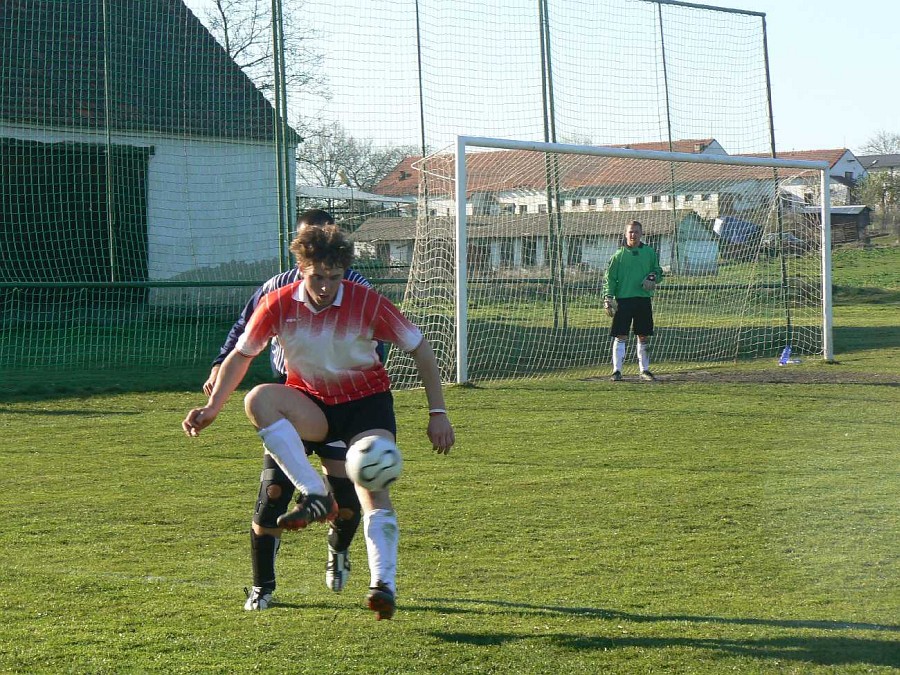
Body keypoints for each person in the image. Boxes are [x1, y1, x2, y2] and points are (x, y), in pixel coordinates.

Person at [183, 224, 455, 621]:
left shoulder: (367, 302)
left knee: (371, 488)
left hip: (365, 406)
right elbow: (241, 355)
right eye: (317, 277)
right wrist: (212, 408)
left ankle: (383, 585)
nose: (326, 286)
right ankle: (314, 495)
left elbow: (421, 349)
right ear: (301, 269)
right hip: (310, 403)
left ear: (344, 272)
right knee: (259, 401)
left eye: (335, 276)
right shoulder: (277, 303)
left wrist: (438, 413)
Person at [203, 209, 381, 606]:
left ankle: (338, 550)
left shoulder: (355, 287)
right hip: (292, 398)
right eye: (307, 242)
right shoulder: (277, 288)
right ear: (298, 249)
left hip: (344, 399)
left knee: (345, 499)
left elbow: (375, 340)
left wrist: (363, 395)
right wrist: (219, 365)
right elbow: (243, 330)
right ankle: (262, 586)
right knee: (274, 492)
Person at [603, 220, 663, 382]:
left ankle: (644, 370)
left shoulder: (649, 252)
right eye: (630, 232)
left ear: (641, 234)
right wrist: (608, 297)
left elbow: (658, 271)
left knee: (643, 336)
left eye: (636, 232)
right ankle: (616, 371)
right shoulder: (618, 256)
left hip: (643, 299)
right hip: (623, 300)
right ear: (625, 234)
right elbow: (610, 279)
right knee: (620, 335)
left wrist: (653, 276)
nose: (633, 235)